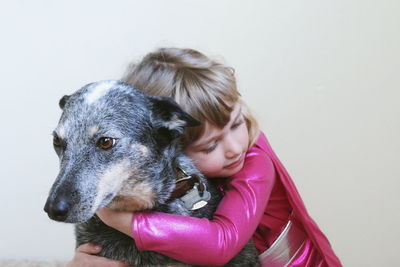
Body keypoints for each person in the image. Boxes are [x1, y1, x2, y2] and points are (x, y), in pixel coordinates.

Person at [67, 48, 341, 267]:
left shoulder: (257, 165)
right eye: (210, 146)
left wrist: (121, 220)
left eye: (236, 123)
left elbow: (220, 244)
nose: (235, 148)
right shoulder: (169, 175)